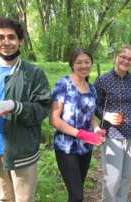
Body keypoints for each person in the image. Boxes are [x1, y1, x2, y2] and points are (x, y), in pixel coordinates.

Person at [0, 17, 52, 202]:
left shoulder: (33, 73)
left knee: (25, 199)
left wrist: (14, 105)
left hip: (22, 149)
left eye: (12, 37)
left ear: (21, 41)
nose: (6, 42)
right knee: (3, 197)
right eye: (0, 37)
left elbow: (43, 108)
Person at [49, 48, 105, 202]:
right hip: (66, 147)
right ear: (72, 64)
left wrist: (97, 130)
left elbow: (92, 118)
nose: (83, 66)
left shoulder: (92, 89)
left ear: (91, 64)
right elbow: (54, 119)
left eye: (87, 62)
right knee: (77, 195)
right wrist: (81, 134)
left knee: (77, 191)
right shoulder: (63, 84)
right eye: (79, 62)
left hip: (85, 147)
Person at [94, 44, 131, 202]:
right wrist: (105, 115)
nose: (126, 61)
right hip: (112, 135)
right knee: (112, 177)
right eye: (123, 57)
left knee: (126, 175)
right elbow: (93, 106)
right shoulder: (103, 80)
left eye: (130, 59)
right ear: (115, 57)